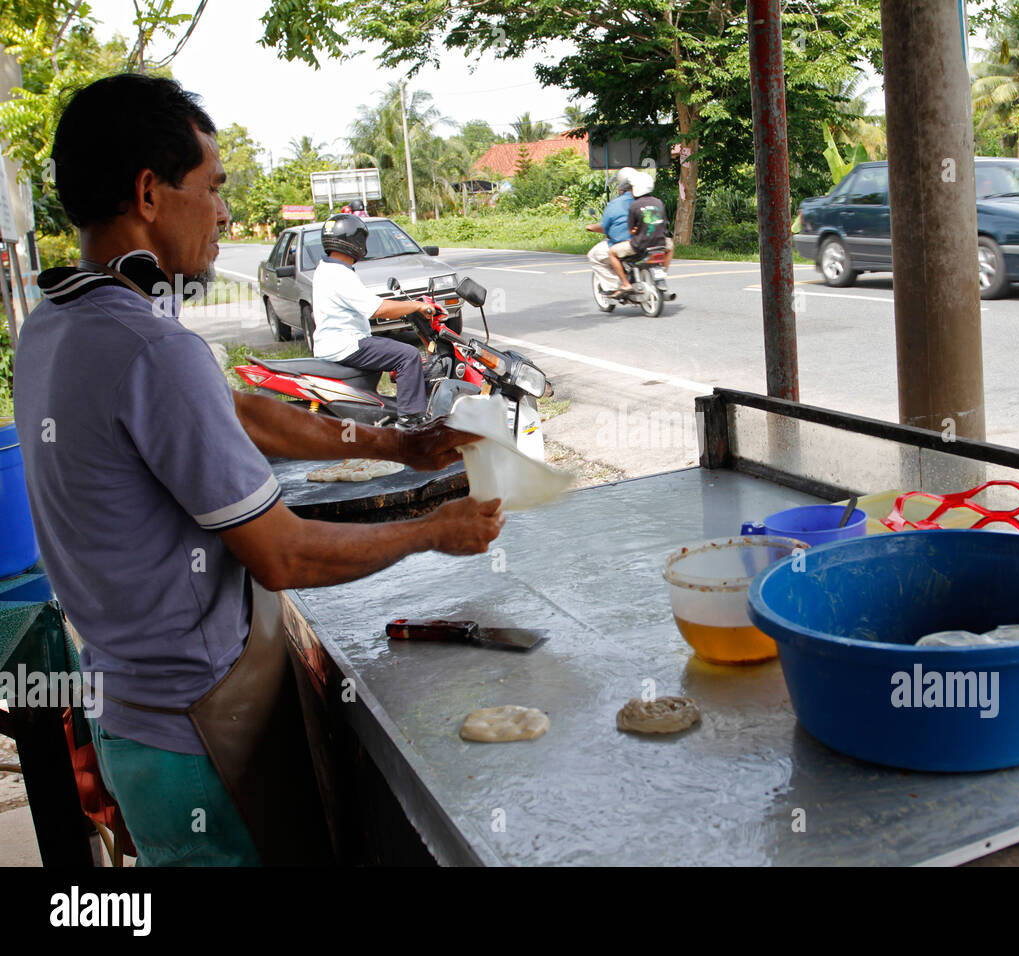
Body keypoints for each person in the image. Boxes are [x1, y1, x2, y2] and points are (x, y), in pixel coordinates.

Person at [12, 73, 504, 866]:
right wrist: (434, 529)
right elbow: (283, 554)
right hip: (199, 732)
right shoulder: (149, 347)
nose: (225, 216)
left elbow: (237, 412)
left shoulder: (58, 321)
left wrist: (395, 445)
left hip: (132, 719)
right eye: (212, 189)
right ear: (148, 191)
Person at [310, 213, 434, 429]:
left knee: (392, 351)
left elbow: (371, 303)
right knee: (408, 355)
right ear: (354, 242)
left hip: (333, 342)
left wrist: (405, 306)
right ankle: (410, 422)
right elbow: (377, 309)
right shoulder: (339, 273)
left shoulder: (326, 268)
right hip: (346, 344)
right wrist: (416, 306)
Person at [608, 171, 673, 293]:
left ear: (636, 189)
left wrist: (635, 231)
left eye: (632, 188)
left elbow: (631, 231)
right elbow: (663, 222)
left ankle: (626, 284)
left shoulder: (634, 205)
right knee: (671, 246)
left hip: (641, 244)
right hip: (661, 243)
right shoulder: (658, 202)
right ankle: (663, 272)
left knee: (612, 253)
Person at [585, 166, 638, 298]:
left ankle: (615, 286)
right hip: (648, 240)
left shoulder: (615, 204)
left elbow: (605, 226)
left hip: (625, 243)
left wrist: (591, 227)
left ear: (621, 187)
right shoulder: (647, 199)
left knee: (594, 255)